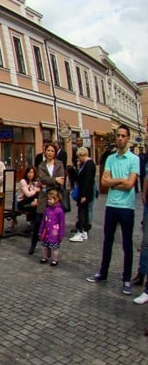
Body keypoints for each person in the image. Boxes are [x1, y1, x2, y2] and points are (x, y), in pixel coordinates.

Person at [87, 126, 140, 294]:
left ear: (128, 138)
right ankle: (103, 273)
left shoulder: (134, 159)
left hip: (127, 207)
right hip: (111, 205)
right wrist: (120, 180)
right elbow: (104, 183)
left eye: (123, 136)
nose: (120, 138)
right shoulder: (110, 158)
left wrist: (113, 182)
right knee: (107, 242)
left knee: (127, 244)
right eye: (118, 135)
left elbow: (130, 185)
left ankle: (126, 279)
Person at [29, 143, 65, 255]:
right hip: (44, 197)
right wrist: (54, 181)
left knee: (53, 224)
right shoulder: (41, 165)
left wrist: (48, 183)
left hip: (54, 197)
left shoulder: (59, 164)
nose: (50, 153)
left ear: (55, 153)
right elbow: (42, 179)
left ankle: (50, 247)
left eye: (52, 151)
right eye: (48, 150)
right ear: (45, 152)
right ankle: (33, 245)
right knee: (39, 222)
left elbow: (62, 180)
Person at [68, 147, 95, 242]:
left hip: (85, 192)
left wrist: (84, 195)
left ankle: (81, 231)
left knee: (82, 212)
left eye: (79, 157)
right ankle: (84, 232)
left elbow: (87, 180)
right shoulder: (85, 164)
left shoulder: (89, 164)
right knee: (84, 211)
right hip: (84, 191)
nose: (78, 159)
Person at [39, 189, 66, 266]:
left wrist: (61, 234)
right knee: (44, 246)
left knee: (54, 248)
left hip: (54, 233)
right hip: (46, 232)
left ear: (56, 199)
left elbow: (62, 223)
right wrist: (40, 231)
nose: (49, 201)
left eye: (51, 199)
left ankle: (55, 259)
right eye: (48, 199)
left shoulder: (59, 211)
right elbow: (43, 221)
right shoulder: (47, 210)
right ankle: (45, 257)